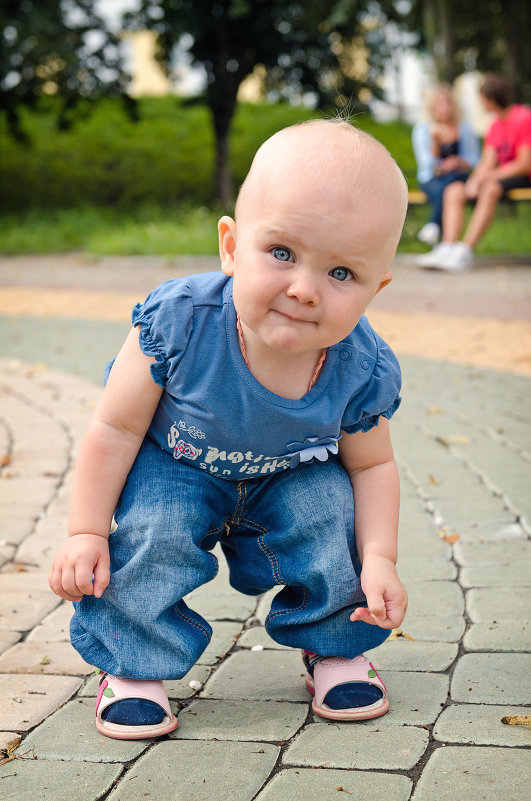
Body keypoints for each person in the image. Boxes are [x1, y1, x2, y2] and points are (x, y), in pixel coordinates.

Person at [49, 119, 409, 740]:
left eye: (342, 274)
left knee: (329, 509)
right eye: (282, 254)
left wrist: (381, 558)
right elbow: (114, 425)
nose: (303, 289)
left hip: (286, 474)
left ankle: (336, 645)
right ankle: (135, 665)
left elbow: (372, 465)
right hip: (177, 464)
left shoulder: (358, 365)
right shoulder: (181, 323)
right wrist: (85, 529)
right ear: (231, 246)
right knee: (155, 526)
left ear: (376, 288)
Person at [419, 74, 531, 271]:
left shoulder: (523, 118)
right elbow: (487, 161)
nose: (480, 104)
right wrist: (474, 180)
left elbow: (524, 164)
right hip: (502, 175)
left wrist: (488, 177)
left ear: (490, 99)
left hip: (522, 176)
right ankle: (447, 247)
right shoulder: (495, 125)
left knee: (490, 189)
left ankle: (465, 251)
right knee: (454, 190)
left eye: (481, 99)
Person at [412, 84, 480, 246]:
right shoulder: (423, 130)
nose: (444, 108)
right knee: (450, 187)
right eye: (439, 104)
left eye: (447, 103)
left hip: (458, 175)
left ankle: (434, 226)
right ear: (432, 107)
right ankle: (442, 236)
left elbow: (474, 159)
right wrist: (436, 142)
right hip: (434, 179)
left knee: (455, 182)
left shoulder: (464, 128)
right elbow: (427, 163)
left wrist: (458, 162)